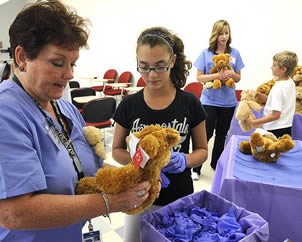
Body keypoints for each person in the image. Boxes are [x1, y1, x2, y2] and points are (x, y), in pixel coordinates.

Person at [0, 1, 151, 242]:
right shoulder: (6, 114)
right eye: (58, 63)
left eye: (73, 63)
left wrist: (133, 178)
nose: (70, 74)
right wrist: (111, 203)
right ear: (22, 57)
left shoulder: (64, 108)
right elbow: (14, 213)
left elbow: (89, 169)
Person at [112, 26, 208, 242]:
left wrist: (185, 159)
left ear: (172, 61)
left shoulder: (190, 103)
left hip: (179, 196)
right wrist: (142, 161)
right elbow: (117, 150)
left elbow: (202, 151)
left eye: (159, 66)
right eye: (144, 67)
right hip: (138, 196)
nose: (151, 75)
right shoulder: (129, 105)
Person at [192, 20, 244, 179]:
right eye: (221, 33)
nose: (224, 36)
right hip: (208, 101)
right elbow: (199, 77)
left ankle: (216, 164)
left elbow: (238, 78)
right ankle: (195, 168)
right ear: (215, 34)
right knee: (204, 135)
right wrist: (217, 76)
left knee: (222, 134)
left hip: (228, 102)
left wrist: (231, 75)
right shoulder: (205, 53)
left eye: (226, 33)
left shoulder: (234, 53)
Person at [246, 51, 298, 138]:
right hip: (286, 127)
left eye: (274, 65)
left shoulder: (279, 88)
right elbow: (275, 102)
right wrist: (258, 94)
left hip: (275, 129)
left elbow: (276, 115)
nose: (271, 67)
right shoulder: (290, 83)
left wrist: (254, 122)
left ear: (283, 69)